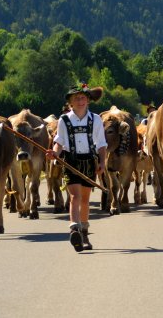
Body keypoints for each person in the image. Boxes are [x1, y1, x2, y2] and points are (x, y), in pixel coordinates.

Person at [46, 83, 108, 252]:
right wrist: (55, 154)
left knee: (86, 200)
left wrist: (102, 162)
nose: (80, 101)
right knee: (75, 197)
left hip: (89, 161)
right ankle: (75, 229)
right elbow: (59, 141)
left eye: (83, 98)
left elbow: (101, 144)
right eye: (76, 99)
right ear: (70, 103)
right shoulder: (64, 120)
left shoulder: (95, 119)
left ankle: (85, 232)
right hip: (71, 161)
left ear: (88, 100)